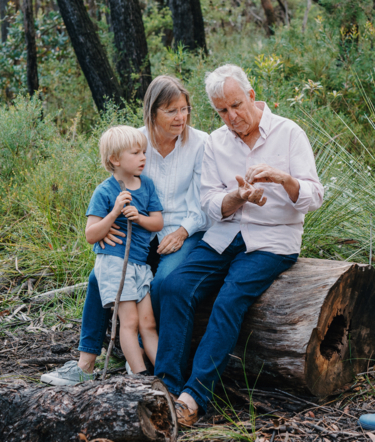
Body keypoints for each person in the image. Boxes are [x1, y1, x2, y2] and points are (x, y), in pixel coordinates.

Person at [154, 64, 325, 426]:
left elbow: (314, 194)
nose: (232, 117)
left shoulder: (289, 133)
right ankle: (165, 387)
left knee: (229, 298)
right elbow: (210, 203)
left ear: (251, 95)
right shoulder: (216, 142)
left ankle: (192, 396)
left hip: (272, 239)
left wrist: (283, 179)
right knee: (173, 285)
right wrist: (236, 198)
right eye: (222, 111)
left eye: (236, 106)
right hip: (225, 235)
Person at [40, 75, 209, 386]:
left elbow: (202, 200)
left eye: (185, 109)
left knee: (165, 281)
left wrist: (183, 232)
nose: (180, 118)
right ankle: (86, 362)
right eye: (171, 111)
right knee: (97, 276)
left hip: (181, 228)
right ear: (152, 112)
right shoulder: (135, 141)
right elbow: (115, 182)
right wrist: (107, 225)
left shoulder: (200, 143)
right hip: (139, 235)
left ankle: (148, 358)